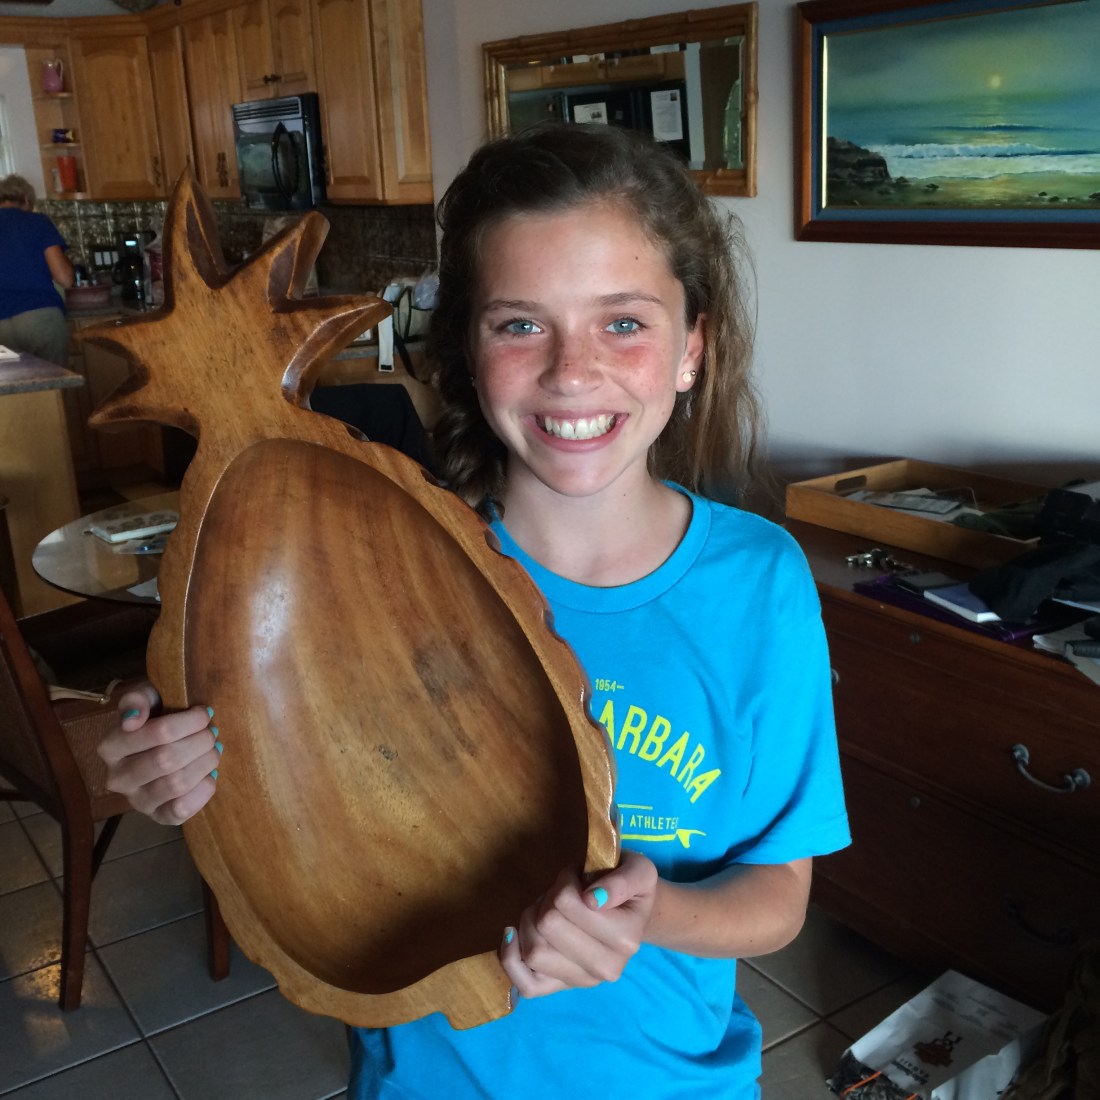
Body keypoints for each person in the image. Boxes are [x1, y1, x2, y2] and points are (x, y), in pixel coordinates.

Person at [97, 122, 850, 1098]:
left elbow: (778, 895)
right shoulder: (365, 567)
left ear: (689, 347)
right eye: (519, 322)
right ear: (466, 344)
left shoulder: (761, 585)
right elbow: (258, 745)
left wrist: (649, 912)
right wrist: (149, 745)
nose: (570, 370)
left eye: (622, 320)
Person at [0, 173, 74, 364]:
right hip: (40, 318)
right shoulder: (38, 222)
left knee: (17, 393)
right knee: (53, 388)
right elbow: (64, 278)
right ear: (25, 200)